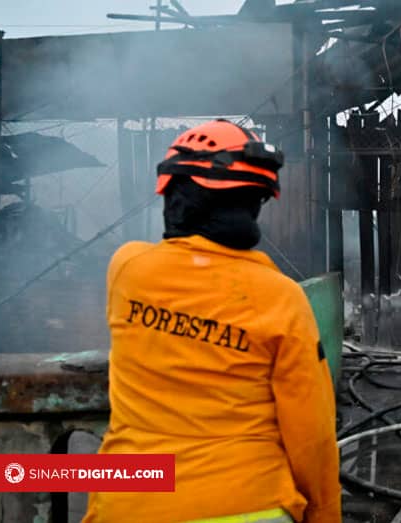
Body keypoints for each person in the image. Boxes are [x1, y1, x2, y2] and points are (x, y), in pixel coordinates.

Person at [84, 120, 341, 523]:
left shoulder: (126, 270)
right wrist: (325, 515)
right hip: (250, 505)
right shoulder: (280, 297)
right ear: (253, 205)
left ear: (171, 195)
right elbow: (311, 435)